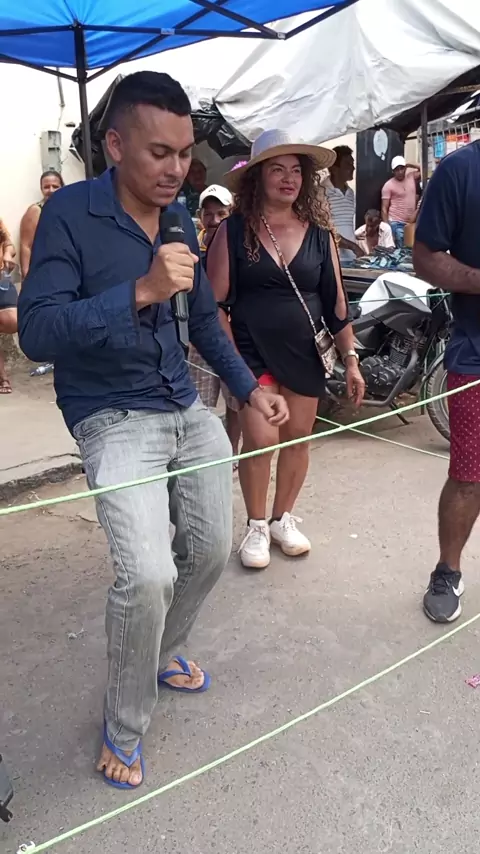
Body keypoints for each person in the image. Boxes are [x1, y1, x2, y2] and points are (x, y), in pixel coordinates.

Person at [18, 71, 289, 789]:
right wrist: (139, 290)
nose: (175, 169)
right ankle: (125, 719)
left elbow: (201, 321)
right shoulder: (68, 215)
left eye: (183, 153)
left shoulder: (178, 220)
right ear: (114, 145)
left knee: (208, 550)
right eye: (158, 153)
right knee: (146, 574)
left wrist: (248, 390)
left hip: (183, 402)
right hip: (110, 414)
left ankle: (159, 653)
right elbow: (37, 333)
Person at [208, 129, 365, 570]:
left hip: (305, 353)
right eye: (277, 169)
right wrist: (233, 363)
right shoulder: (233, 231)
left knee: (298, 437)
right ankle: (256, 525)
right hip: (251, 353)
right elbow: (215, 305)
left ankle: (282, 519)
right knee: (261, 440)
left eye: (296, 170)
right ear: (258, 177)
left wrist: (351, 360)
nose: (288, 178)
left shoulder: (320, 234)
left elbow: (337, 305)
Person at [413, 140, 480, 623]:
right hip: (475, 355)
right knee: (468, 474)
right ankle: (447, 570)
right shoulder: (460, 170)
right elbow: (426, 257)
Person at [322, 145, 363, 266]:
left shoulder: (350, 193)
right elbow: (324, 230)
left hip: (351, 258)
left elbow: (345, 224)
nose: (353, 168)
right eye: (347, 164)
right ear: (334, 169)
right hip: (331, 258)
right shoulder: (321, 192)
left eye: (352, 163)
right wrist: (353, 246)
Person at [19, 170, 64, 278]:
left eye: (55, 186)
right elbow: (26, 245)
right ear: (41, 189)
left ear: (62, 187)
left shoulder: (67, 209)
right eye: (46, 187)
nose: (51, 190)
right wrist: (26, 276)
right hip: (43, 270)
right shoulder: (36, 210)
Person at [381, 156, 420, 249]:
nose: (400, 172)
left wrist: (409, 164)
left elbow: (425, 170)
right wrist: (388, 230)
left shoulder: (411, 177)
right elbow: (384, 209)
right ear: (393, 171)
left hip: (410, 223)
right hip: (396, 223)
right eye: (397, 169)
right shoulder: (388, 185)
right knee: (400, 251)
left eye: (402, 168)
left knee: (410, 250)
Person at [0, 219, 17, 393]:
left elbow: (9, 244)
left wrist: (7, 254)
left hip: (1, 277)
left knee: (13, 321)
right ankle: (2, 376)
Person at [197, 184, 233, 263]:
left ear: (232, 214)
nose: (215, 220)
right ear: (199, 215)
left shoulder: (238, 247)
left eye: (221, 214)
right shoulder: (191, 246)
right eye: (208, 214)